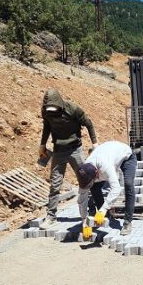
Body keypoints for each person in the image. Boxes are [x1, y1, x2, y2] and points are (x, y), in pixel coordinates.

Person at [39, 89, 98, 229]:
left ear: (60, 103)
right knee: (55, 184)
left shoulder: (73, 109)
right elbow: (46, 127)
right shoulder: (46, 112)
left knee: (86, 179)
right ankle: (51, 216)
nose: (52, 111)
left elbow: (89, 123)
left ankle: (92, 210)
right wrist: (42, 144)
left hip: (75, 150)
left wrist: (94, 142)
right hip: (58, 151)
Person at [76, 141, 137, 236]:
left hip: (126, 156)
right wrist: (84, 221)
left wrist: (103, 209)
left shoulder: (104, 166)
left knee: (128, 185)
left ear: (96, 174)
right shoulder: (84, 171)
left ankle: (127, 222)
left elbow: (116, 188)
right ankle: (106, 216)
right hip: (109, 155)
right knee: (94, 187)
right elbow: (82, 199)